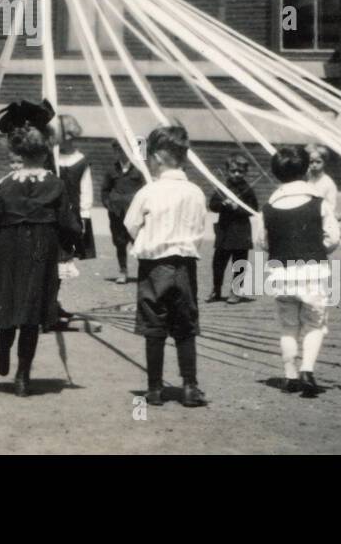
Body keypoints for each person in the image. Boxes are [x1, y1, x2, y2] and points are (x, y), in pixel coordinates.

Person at [0, 122, 78, 397]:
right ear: (45, 154)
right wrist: (67, 249)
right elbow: (70, 225)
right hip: (41, 257)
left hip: (7, 257)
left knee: (7, 309)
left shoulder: (4, 186)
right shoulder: (56, 185)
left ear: (20, 154)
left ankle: (2, 349)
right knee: (32, 316)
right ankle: (23, 376)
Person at [124, 123, 210, 409]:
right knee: (185, 327)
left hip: (153, 268)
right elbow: (200, 230)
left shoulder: (148, 192)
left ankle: (154, 388)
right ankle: (190, 386)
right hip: (185, 267)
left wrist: (147, 240)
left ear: (158, 157)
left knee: (154, 327)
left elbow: (130, 224)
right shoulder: (196, 192)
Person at [259, 145, 340, 397]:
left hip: (281, 272)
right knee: (315, 324)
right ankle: (307, 369)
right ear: (306, 169)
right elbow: (333, 237)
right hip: (313, 270)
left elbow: (263, 242)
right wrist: (318, 247)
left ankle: (290, 375)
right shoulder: (319, 202)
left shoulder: (268, 207)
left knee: (287, 326)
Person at [208, 154, 256, 304]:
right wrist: (223, 204)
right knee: (218, 263)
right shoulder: (222, 188)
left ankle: (236, 291)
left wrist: (238, 208)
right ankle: (216, 289)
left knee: (239, 263)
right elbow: (212, 205)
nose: (236, 174)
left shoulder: (247, 190)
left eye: (240, 172)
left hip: (241, 232)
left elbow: (253, 210)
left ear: (245, 173)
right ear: (227, 171)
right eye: (233, 171)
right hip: (224, 231)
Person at [99, 140, 144, 283]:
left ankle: (144, 271)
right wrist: (108, 204)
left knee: (138, 242)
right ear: (116, 152)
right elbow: (105, 190)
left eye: (125, 151)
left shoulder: (139, 169)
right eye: (119, 151)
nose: (122, 154)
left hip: (134, 214)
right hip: (117, 213)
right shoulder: (111, 170)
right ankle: (123, 271)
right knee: (119, 242)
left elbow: (146, 189)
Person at [56, 115, 96, 261]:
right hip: (52, 212)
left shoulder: (81, 161)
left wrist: (85, 214)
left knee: (66, 254)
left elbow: (86, 189)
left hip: (72, 213)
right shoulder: (52, 158)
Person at [305, 144, 339, 212]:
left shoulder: (328, 183)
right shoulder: (306, 179)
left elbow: (331, 206)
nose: (314, 165)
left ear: (325, 163)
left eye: (318, 162)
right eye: (311, 162)